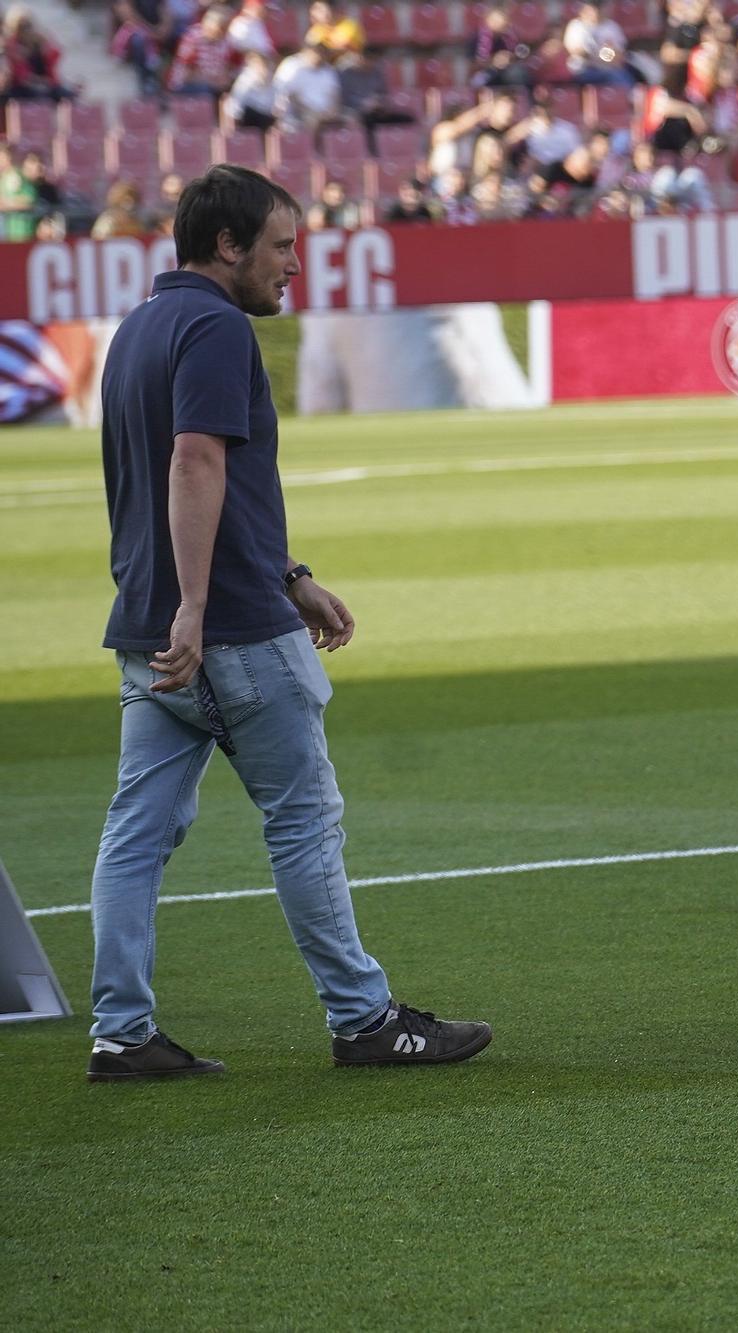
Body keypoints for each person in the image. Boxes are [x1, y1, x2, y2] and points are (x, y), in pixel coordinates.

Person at [86, 165, 491, 1080]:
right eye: (281, 245)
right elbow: (195, 464)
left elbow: (172, 486)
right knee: (304, 823)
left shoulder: (136, 329)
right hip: (223, 632)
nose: (294, 265)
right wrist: (202, 605)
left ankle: (120, 1032)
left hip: (150, 632)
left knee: (135, 834)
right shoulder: (219, 327)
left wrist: (290, 572)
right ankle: (364, 1019)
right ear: (227, 246)